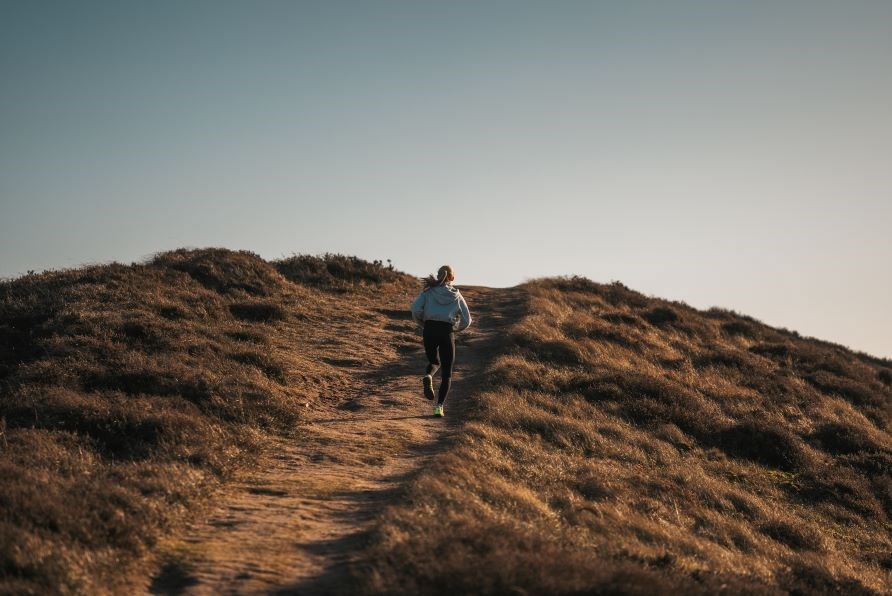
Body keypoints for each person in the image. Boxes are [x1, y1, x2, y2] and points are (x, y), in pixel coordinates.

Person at [410, 265, 472, 417]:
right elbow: (467, 320)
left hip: (429, 329)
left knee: (434, 362)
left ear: (438, 277)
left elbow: (415, 308)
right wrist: (455, 328)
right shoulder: (457, 295)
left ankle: (428, 376)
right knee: (447, 373)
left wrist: (423, 323)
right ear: (452, 278)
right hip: (446, 331)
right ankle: (439, 407)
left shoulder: (428, 292)